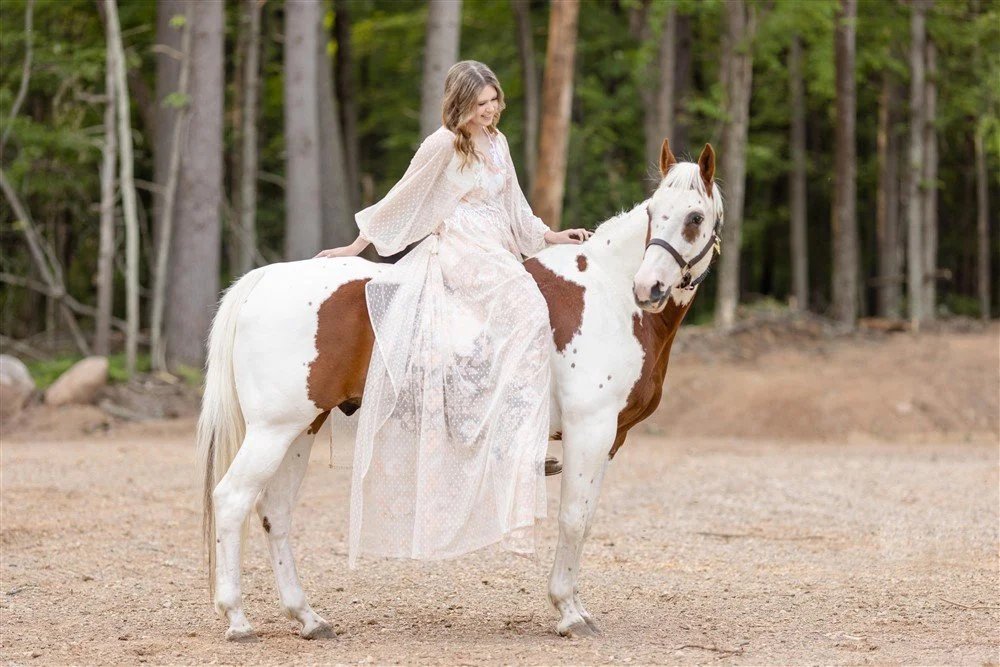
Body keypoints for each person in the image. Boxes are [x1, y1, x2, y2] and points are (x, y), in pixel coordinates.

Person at [316, 60, 590, 567]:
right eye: (481, 104)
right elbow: (403, 196)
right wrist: (358, 246)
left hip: (496, 246)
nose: (490, 112)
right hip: (460, 245)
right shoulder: (442, 144)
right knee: (527, 307)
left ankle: (513, 432)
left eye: (494, 101)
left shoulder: (498, 143)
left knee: (524, 314)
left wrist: (552, 235)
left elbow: (516, 208)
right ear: (460, 103)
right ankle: (506, 436)